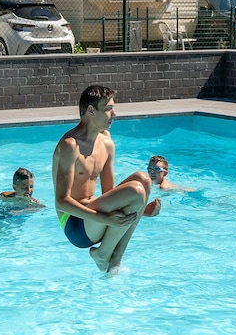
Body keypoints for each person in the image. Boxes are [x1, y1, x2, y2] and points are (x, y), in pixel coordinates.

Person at [53, 85, 160, 272]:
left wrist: (142, 209)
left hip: (96, 217)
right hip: (75, 224)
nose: (114, 114)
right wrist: (103, 218)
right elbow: (61, 202)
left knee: (143, 180)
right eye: (108, 109)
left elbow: (110, 193)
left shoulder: (106, 142)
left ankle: (115, 258)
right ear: (91, 111)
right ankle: (103, 254)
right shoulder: (70, 145)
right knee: (135, 191)